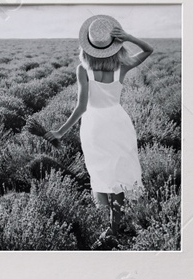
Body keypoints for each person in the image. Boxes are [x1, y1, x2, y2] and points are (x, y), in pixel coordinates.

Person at [49, 14, 153, 228]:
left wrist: (60, 132)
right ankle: (115, 227)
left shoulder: (83, 70)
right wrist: (128, 37)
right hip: (118, 122)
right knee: (120, 173)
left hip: (94, 125)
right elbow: (148, 50)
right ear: (114, 45)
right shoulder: (122, 67)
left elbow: (81, 107)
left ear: (88, 47)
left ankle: (106, 227)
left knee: (99, 172)